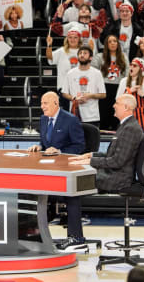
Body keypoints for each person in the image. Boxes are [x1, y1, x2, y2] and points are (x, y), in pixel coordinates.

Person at [27, 91, 85, 250]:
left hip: (67, 169)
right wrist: (39, 146)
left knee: (71, 196)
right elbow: (45, 142)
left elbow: (80, 146)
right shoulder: (43, 119)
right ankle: (37, 236)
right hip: (49, 168)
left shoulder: (70, 120)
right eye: (41, 103)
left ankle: (76, 237)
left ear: (55, 103)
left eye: (45, 103)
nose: (42, 106)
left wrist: (60, 151)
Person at [69, 94, 143, 193]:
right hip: (113, 174)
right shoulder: (126, 125)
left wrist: (89, 162)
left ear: (126, 107)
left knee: (74, 180)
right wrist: (89, 156)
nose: (114, 106)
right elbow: (113, 156)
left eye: (117, 103)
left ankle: (73, 208)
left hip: (118, 180)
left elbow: (117, 161)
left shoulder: (130, 129)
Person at [61, 46, 106, 128]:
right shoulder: (70, 73)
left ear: (91, 57)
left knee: (91, 140)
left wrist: (90, 95)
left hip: (92, 116)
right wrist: (74, 98)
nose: (82, 55)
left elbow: (103, 94)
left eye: (85, 53)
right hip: (74, 114)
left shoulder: (97, 73)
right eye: (80, 53)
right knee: (75, 140)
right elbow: (64, 93)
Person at [116, 58, 144, 132]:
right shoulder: (123, 81)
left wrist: (143, 95)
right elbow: (118, 101)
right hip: (127, 117)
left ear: (141, 69)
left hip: (143, 119)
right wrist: (129, 91)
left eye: (135, 66)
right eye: (131, 65)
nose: (131, 67)